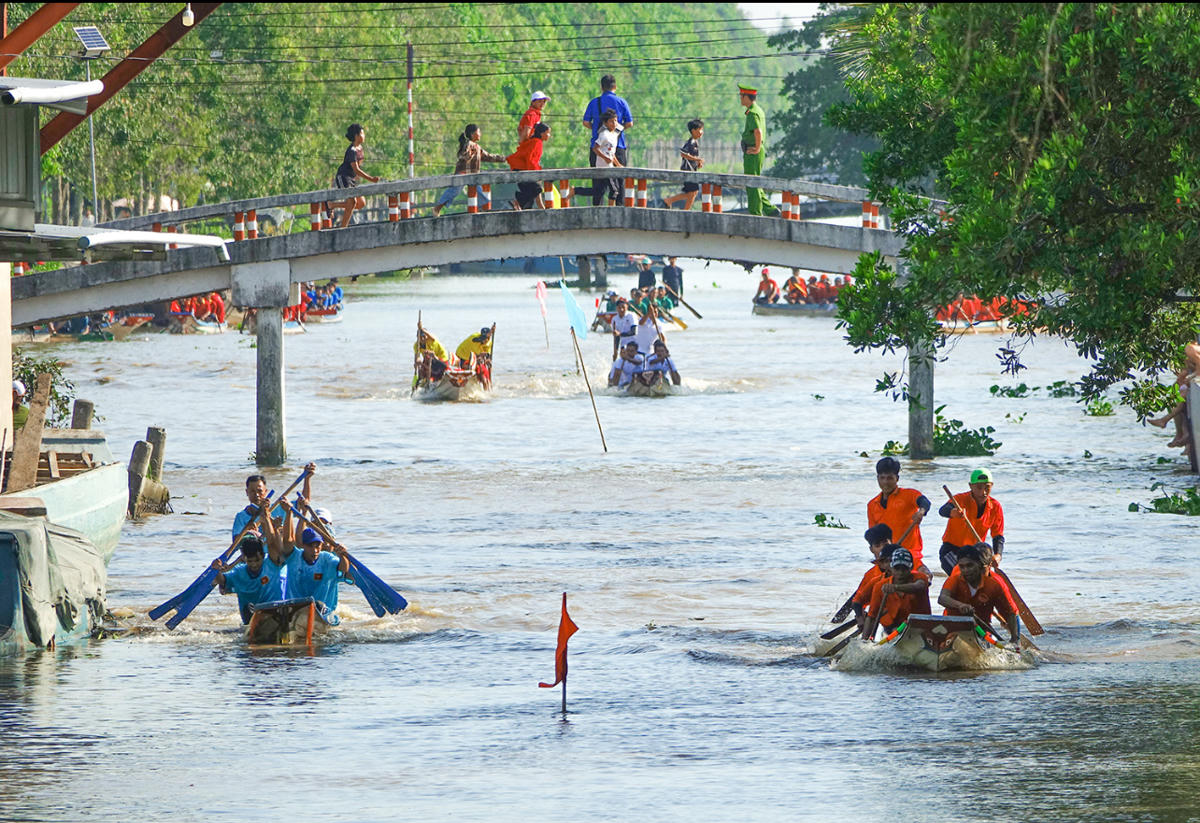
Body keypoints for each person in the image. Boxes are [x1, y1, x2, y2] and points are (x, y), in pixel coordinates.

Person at [938, 544, 1020, 645]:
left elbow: (1011, 613)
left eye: (971, 566)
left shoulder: (996, 584)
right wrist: (960, 605)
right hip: (955, 627)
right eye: (962, 567)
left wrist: (1015, 639)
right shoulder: (957, 577)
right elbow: (942, 598)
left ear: (985, 565)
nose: (966, 571)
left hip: (981, 630)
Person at [866, 456, 931, 574]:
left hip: (909, 554)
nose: (885, 482)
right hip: (886, 557)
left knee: (925, 575)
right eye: (882, 478)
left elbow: (925, 502)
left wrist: (921, 512)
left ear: (897, 478)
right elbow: (874, 538)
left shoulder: (909, 495)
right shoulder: (872, 505)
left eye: (890, 478)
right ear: (877, 478)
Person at [938, 468, 1005, 575]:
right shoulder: (960, 499)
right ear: (970, 486)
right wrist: (953, 512)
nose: (983, 492)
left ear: (992, 486)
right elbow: (942, 510)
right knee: (963, 576)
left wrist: (998, 555)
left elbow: (998, 536)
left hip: (975, 552)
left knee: (983, 578)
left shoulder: (995, 506)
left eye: (987, 488)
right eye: (979, 487)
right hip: (952, 550)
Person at [433, 124, 506, 216]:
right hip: (463, 173)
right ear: (473, 134)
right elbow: (462, 155)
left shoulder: (477, 147)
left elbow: (489, 157)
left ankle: (481, 212)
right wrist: (470, 154)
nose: (480, 134)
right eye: (479, 132)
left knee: (480, 196)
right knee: (454, 190)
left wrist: (504, 158)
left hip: (472, 176)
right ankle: (437, 207)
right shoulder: (468, 144)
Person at [861, 546, 931, 641]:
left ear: (911, 568)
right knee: (895, 629)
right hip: (894, 627)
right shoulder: (879, 586)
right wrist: (864, 641)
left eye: (904, 568)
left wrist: (895, 587)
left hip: (920, 625)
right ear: (891, 568)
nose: (900, 572)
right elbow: (872, 617)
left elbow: (918, 586)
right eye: (897, 568)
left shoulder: (920, 578)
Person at [583, 75, 633, 203]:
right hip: (618, 147)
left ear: (601, 87)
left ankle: (597, 211)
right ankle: (618, 210)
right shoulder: (621, 102)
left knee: (598, 184)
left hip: (597, 148)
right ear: (615, 87)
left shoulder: (594, 102)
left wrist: (596, 129)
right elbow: (629, 123)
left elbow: (586, 122)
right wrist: (615, 131)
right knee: (619, 183)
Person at [232, 464, 315, 540]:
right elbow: (236, 542)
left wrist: (307, 479)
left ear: (266, 492)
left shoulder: (279, 507)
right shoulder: (241, 516)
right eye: (252, 491)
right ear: (247, 492)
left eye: (260, 491)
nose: (257, 495)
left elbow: (304, 503)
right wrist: (248, 533)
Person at [287, 526, 350, 624]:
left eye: (317, 546)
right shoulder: (294, 557)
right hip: (297, 610)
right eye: (310, 546)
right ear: (303, 545)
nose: (315, 550)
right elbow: (287, 540)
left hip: (324, 612)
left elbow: (343, 569)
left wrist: (343, 555)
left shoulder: (327, 558)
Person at [837, 523, 893, 627]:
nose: (882, 549)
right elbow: (858, 601)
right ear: (871, 549)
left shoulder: (908, 562)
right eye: (877, 546)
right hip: (885, 623)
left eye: (885, 544)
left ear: (892, 542)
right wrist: (861, 617)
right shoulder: (871, 576)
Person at [738, 84, 779, 217]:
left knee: (751, 183)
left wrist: (756, 148)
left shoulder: (753, 113)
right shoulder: (757, 110)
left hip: (752, 151)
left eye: (741, 96)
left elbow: (757, 132)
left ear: (747, 97)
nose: (740, 98)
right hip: (755, 150)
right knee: (755, 181)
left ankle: (755, 213)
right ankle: (770, 209)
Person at [332, 123, 380, 229]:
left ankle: (332, 205)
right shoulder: (352, 151)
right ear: (356, 136)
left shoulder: (360, 148)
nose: (364, 135)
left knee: (361, 203)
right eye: (362, 133)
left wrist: (356, 177)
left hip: (351, 178)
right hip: (343, 177)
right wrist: (371, 179)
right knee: (352, 202)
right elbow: (356, 169)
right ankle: (343, 228)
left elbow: (358, 166)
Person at [506, 123, 551, 210]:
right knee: (537, 188)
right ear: (542, 134)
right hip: (521, 168)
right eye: (548, 133)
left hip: (518, 167)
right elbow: (531, 160)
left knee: (530, 197)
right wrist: (535, 174)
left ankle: (521, 207)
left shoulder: (534, 141)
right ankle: (518, 202)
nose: (549, 135)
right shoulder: (537, 142)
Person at [663, 119, 704, 210]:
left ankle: (684, 210)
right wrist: (697, 159)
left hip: (692, 171)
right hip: (687, 171)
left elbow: (693, 158)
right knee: (693, 192)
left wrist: (698, 163)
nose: (702, 132)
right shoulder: (690, 142)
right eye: (700, 130)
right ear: (693, 131)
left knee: (693, 192)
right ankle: (670, 201)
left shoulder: (695, 143)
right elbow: (683, 154)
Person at [590, 109, 624, 206]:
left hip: (610, 167)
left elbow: (612, 154)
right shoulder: (604, 135)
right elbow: (595, 148)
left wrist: (618, 164)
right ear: (605, 123)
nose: (614, 123)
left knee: (599, 191)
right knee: (614, 190)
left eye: (615, 121)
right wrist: (605, 158)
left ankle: (576, 190)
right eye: (611, 121)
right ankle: (610, 210)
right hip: (603, 167)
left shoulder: (614, 135)